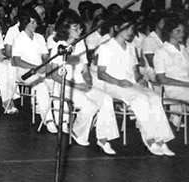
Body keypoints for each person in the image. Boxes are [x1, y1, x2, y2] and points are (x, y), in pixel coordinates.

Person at [96, 11, 174, 156]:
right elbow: (101, 73)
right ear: (116, 27)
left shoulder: (132, 48)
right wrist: (118, 81)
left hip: (131, 85)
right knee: (141, 99)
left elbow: (135, 72)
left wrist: (140, 79)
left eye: (132, 29)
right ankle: (150, 139)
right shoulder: (105, 47)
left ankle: (161, 140)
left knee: (155, 97)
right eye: (126, 28)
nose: (129, 32)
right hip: (114, 85)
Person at [47, 10, 119, 153]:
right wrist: (76, 85)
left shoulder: (80, 45)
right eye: (75, 28)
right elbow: (54, 75)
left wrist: (88, 81)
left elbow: (85, 70)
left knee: (106, 99)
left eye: (80, 28)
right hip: (65, 86)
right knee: (90, 106)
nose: (79, 31)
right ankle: (78, 131)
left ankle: (104, 139)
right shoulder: (59, 46)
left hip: (80, 84)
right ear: (66, 29)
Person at [11, 9, 51, 124]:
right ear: (25, 23)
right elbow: (17, 61)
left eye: (36, 22)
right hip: (24, 72)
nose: (35, 25)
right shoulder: (19, 39)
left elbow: (45, 55)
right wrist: (35, 67)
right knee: (41, 84)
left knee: (55, 82)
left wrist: (45, 62)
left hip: (39, 69)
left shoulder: (40, 38)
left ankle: (56, 115)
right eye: (32, 22)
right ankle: (48, 120)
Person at [153, 16, 189, 128]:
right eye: (178, 31)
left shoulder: (184, 50)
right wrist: (185, 84)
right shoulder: (162, 52)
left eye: (183, 31)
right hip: (174, 89)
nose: (181, 34)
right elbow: (161, 78)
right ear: (169, 32)